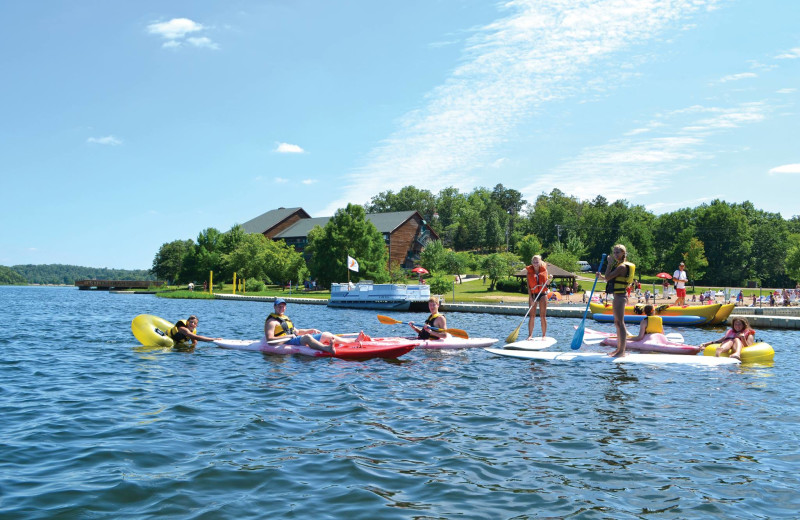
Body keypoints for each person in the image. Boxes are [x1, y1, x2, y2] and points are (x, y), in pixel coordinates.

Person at [264, 298, 355, 354]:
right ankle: (327, 349)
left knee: (326, 334)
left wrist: (311, 330)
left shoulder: (284, 318)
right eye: (279, 306)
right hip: (286, 342)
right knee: (307, 337)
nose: (281, 308)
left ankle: (353, 341)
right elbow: (269, 340)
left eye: (283, 306)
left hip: (293, 338)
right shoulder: (272, 322)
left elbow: (297, 331)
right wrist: (289, 336)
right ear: (274, 307)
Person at [596, 244, 635, 357]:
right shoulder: (619, 266)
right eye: (614, 252)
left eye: (618, 252)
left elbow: (608, 276)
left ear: (623, 253)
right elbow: (608, 278)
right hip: (617, 296)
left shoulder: (622, 267)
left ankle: (621, 351)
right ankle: (619, 349)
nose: (615, 254)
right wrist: (601, 277)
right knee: (617, 323)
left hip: (620, 296)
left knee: (620, 323)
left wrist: (608, 264)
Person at [525, 255, 550, 339]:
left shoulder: (544, 270)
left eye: (537, 262)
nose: (535, 263)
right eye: (534, 262)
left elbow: (547, 284)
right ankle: (530, 335)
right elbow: (528, 286)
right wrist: (531, 298)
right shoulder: (529, 272)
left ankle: (544, 335)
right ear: (532, 262)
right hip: (533, 295)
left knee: (543, 316)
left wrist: (549, 280)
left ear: (540, 262)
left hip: (542, 294)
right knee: (532, 316)